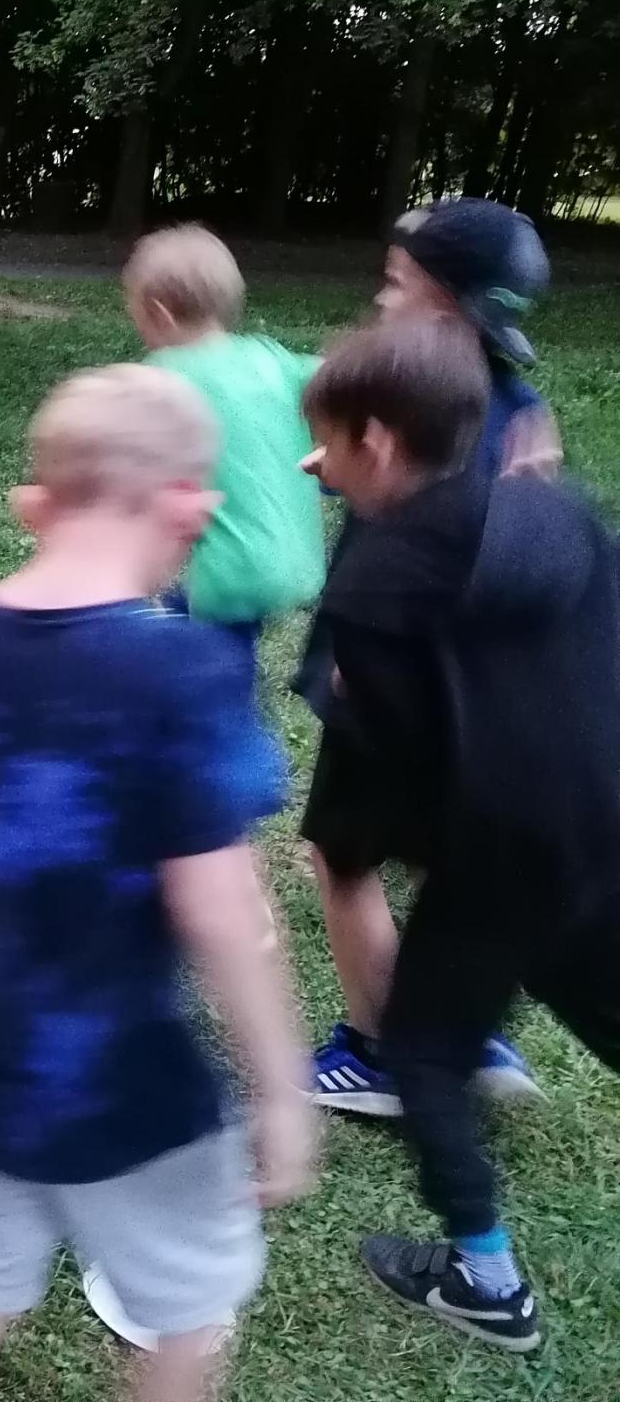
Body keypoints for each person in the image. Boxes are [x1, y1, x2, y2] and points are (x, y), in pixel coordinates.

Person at [0, 364, 315, 1402]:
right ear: (186, 506)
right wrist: (282, 1089)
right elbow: (221, 909)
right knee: (190, 1310)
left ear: (41, 502)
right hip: (137, 1093)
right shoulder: (183, 671)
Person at [300, 317, 620, 1351]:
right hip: (604, 828)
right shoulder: (554, 512)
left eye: (328, 442)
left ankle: (486, 1283)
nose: (317, 463)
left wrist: (352, 835)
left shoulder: (373, 586)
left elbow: (387, 781)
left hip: (499, 862)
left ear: (377, 441)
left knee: (425, 1054)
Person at [302, 199, 556, 1116]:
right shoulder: (516, 410)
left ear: (443, 303)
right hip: (478, 698)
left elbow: (413, 541)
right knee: (438, 853)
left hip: (384, 680)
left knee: (344, 859)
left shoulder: (413, 413)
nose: (382, 297)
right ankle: (461, 1026)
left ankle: (381, 1053)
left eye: (396, 282)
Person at [124, 225, 324, 658]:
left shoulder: (163, 377)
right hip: (297, 562)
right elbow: (342, 379)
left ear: (158, 314)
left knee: (189, 658)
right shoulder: (270, 358)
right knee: (208, 641)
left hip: (226, 577)